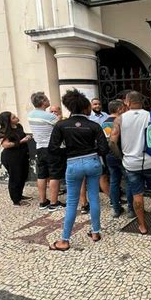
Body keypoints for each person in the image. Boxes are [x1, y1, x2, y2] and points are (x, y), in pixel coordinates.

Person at [48, 89, 109, 251]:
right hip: (93, 162)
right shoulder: (94, 125)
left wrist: (68, 153)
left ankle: (65, 240)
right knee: (94, 197)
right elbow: (104, 148)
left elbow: (53, 149)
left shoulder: (61, 125)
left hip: (73, 164)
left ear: (69, 107)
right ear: (85, 108)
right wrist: (92, 151)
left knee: (72, 202)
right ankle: (95, 232)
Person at [110, 91, 151, 235]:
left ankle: (142, 226)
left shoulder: (120, 119)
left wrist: (122, 158)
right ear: (142, 101)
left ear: (127, 102)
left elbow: (112, 142)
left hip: (131, 163)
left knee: (137, 194)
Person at [28, 91, 65, 211]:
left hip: (39, 147)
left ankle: (43, 201)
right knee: (54, 175)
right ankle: (54, 203)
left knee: (42, 175)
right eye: (47, 99)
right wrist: (58, 118)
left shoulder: (31, 115)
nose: (49, 100)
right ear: (43, 102)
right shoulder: (50, 116)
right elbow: (60, 127)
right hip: (52, 148)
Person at [102, 99, 134, 218]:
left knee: (114, 182)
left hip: (109, 156)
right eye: (124, 108)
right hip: (122, 155)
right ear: (119, 109)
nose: (125, 110)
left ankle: (116, 208)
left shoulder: (104, 122)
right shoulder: (121, 121)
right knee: (129, 182)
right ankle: (131, 209)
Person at [0, 111, 32, 206]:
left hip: (23, 155)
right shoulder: (3, 131)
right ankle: (16, 200)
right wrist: (21, 141)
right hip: (11, 157)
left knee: (23, 176)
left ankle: (19, 194)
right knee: (15, 177)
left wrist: (27, 137)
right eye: (13, 117)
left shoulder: (19, 126)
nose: (16, 117)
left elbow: (22, 137)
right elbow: (6, 145)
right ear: (8, 121)